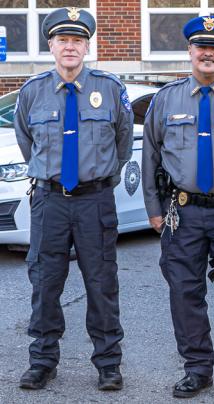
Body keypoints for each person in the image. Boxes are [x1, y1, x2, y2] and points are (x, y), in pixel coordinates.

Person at [14, 7, 132, 391]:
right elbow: (26, 142)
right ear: (51, 44)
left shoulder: (110, 88)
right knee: (45, 282)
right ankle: (43, 360)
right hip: (49, 200)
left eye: (77, 40)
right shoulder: (32, 92)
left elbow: (122, 143)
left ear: (86, 46)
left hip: (94, 201)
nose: (70, 46)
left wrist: (95, 180)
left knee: (101, 283)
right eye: (63, 40)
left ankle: (108, 364)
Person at [141, 15, 214, 400]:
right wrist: (154, 209)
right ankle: (197, 369)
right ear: (189, 51)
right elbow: (151, 158)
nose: (208, 53)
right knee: (184, 292)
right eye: (201, 46)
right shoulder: (165, 99)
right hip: (182, 213)